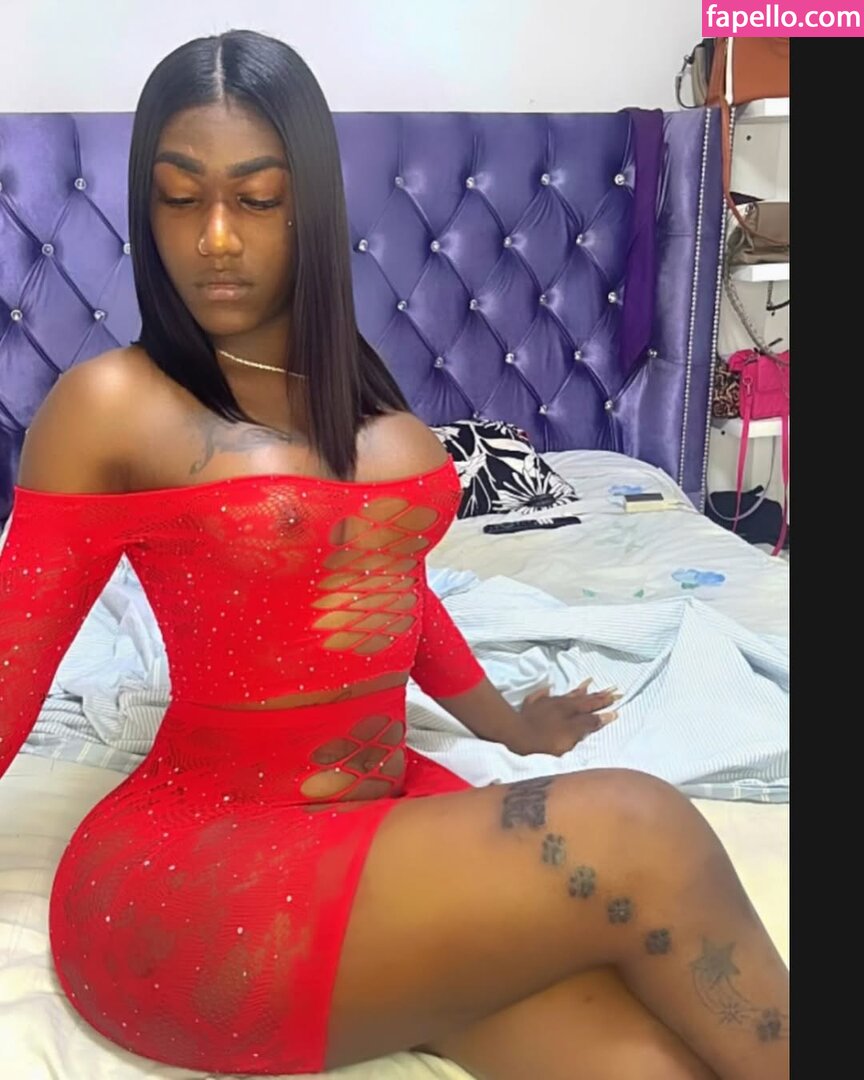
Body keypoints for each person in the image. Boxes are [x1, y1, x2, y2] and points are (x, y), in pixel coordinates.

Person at [0, 28, 788, 1080]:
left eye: (257, 198)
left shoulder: (360, 402)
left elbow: (396, 592)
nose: (216, 237)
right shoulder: (110, 405)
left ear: (313, 209)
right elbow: (9, 667)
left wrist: (511, 726)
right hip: (206, 866)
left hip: (379, 821)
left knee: (646, 1061)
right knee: (643, 826)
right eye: (180, 199)